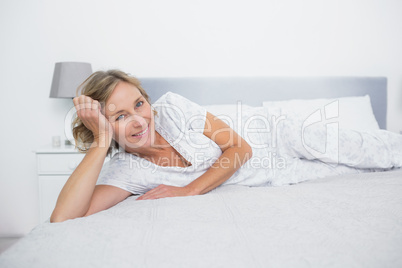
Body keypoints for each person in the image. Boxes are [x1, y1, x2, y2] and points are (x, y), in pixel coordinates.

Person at [50, 70, 402, 223]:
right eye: (120, 116)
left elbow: (240, 148)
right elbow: (63, 218)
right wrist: (100, 145)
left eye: (139, 104)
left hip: (275, 136)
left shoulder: (171, 108)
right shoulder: (124, 171)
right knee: (342, 172)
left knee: (366, 150)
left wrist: (189, 190)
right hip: (274, 175)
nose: (139, 120)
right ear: (102, 125)